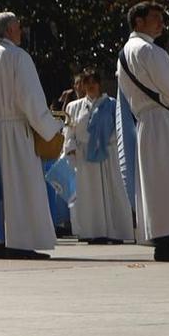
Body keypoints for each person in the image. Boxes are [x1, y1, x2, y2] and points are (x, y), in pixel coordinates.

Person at [0, 11, 66, 260]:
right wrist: (51, 128)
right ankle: (20, 242)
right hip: (16, 131)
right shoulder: (17, 57)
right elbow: (30, 99)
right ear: (9, 30)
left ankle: (0, 240)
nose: (21, 31)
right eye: (18, 27)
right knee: (20, 187)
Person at [117, 1, 169, 262]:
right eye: (154, 18)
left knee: (155, 183)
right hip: (163, 118)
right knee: (166, 180)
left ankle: (161, 237)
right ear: (138, 22)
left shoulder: (125, 53)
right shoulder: (150, 51)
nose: (161, 23)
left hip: (145, 121)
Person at [66, 70, 130, 244]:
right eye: (87, 82)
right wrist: (71, 148)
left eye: (94, 81)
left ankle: (115, 231)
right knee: (88, 194)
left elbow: (118, 129)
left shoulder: (111, 104)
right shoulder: (74, 107)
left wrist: (105, 142)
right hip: (84, 158)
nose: (91, 85)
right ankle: (93, 232)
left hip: (106, 155)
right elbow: (69, 132)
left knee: (111, 191)